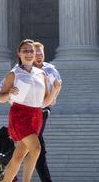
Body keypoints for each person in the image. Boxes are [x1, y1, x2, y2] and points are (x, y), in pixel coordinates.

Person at [0, 39, 55, 182]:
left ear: (35, 54)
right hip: (20, 114)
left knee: (18, 156)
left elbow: (45, 102)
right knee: (36, 149)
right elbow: (1, 98)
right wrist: (9, 93)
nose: (29, 53)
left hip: (36, 115)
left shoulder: (42, 74)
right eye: (25, 51)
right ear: (19, 53)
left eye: (31, 51)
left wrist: (56, 90)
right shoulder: (14, 73)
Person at [31, 42, 61, 182]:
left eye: (41, 53)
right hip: (27, 110)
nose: (39, 56)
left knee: (35, 141)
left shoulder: (50, 69)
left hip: (43, 109)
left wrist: (54, 95)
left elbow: (58, 84)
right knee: (37, 147)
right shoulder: (22, 69)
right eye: (36, 53)